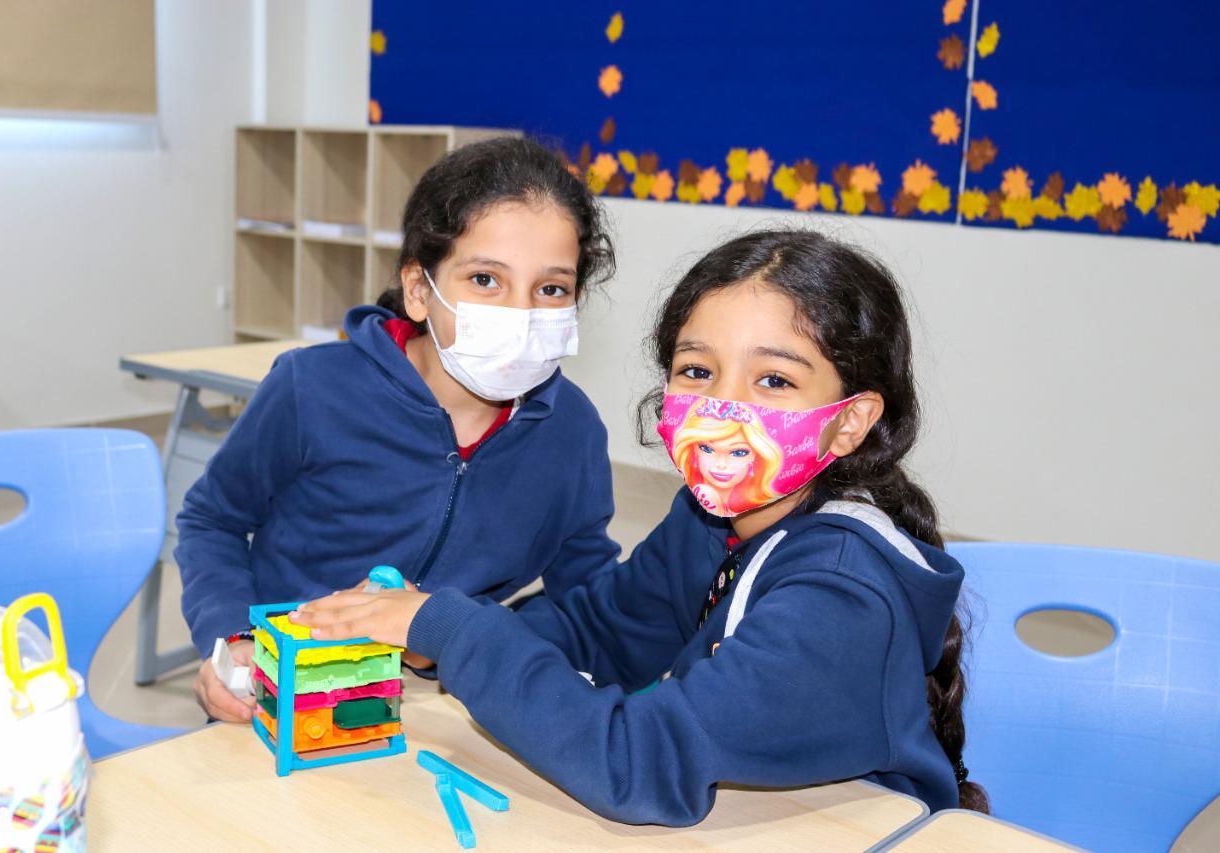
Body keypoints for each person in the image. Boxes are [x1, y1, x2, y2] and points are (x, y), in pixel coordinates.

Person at [290, 229, 989, 823]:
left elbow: (639, 761)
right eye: (697, 370)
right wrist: (437, 639)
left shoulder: (843, 594)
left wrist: (451, 629)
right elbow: (605, 627)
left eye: (773, 380)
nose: (722, 408)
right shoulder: (713, 516)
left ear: (849, 420)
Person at [178, 137, 620, 724]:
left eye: (551, 288)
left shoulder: (572, 431)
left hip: (446, 714)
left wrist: (476, 646)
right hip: (286, 697)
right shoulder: (311, 388)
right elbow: (213, 519)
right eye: (486, 280)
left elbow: (588, 593)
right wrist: (230, 637)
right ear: (419, 289)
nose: (521, 313)